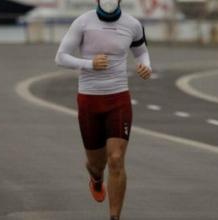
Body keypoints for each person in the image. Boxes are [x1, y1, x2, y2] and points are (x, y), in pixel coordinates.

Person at [55, 0, 152, 219]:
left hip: (118, 98)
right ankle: (96, 179)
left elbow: (141, 53)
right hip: (89, 99)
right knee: (96, 164)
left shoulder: (133, 24)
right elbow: (60, 57)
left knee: (116, 159)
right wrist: (89, 64)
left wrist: (147, 66)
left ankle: (114, 217)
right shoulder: (82, 22)